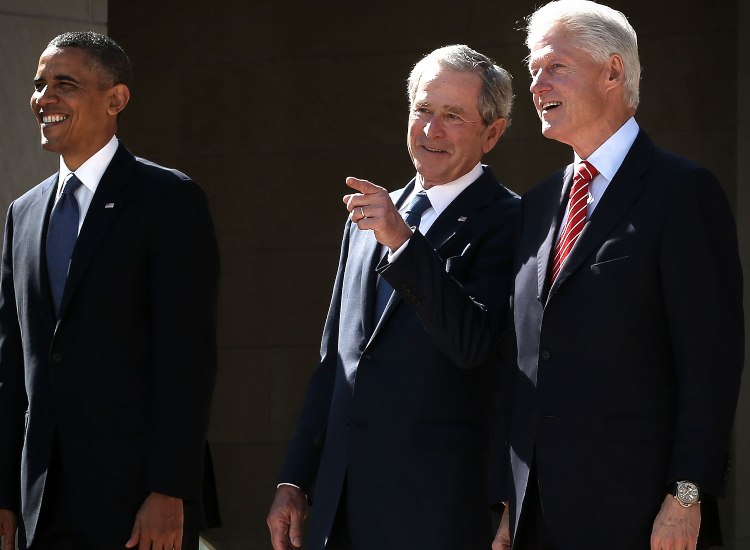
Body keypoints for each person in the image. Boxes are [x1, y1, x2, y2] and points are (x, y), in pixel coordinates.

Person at [493, 2, 745, 549]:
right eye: (532, 69)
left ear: (613, 71)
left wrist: (686, 495)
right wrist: (511, 500)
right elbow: (525, 364)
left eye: (555, 66)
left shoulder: (682, 192)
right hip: (540, 520)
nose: (537, 83)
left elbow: (711, 362)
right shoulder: (536, 206)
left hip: (644, 516)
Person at [266, 44, 520, 550]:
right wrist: (295, 479)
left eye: (452, 116)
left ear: (493, 133)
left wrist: (403, 244)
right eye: (423, 110)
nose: (431, 130)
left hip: (438, 511)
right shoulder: (370, 217)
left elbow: (472, 343)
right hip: (341, 509)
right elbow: (336, 361)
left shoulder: (513, 221)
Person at [0, 31, 219, 550]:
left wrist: (170, 490)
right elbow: (11, 365)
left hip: (137, 504)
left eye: (65, 84)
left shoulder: (169, 199)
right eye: (39, 85)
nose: (44, 99)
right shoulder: (23, 213)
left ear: (115, 99)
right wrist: (6, 494)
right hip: (41, 503)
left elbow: (186, 357)